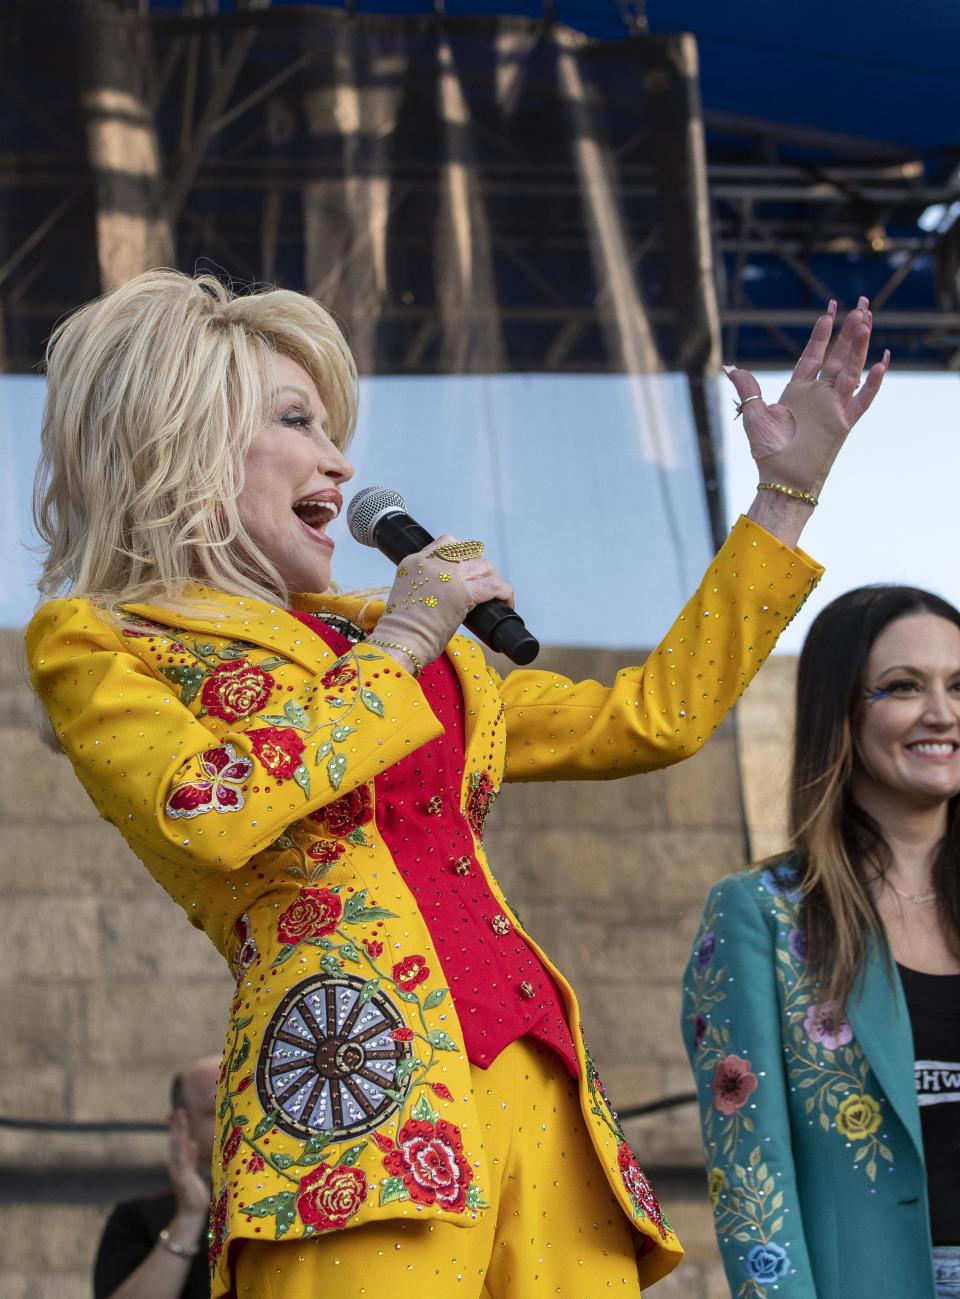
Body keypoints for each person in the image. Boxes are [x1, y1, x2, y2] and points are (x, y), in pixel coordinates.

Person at [27, 268, 886, 1299]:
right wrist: (401, 639)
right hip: (352, 1111)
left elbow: (652, 716)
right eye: (298, 420)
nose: (341, 463)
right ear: (179, 440)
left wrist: (785, 496)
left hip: (541, 1094)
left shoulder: (399, 643)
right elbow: (206, 811)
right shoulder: (109, 643)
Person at [682, 585, 960, 1299]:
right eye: (903, 686)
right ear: (840, 711)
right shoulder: (762, 916)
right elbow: (752, 1178)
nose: (943, 713)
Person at [94, 1055, 219, 1299]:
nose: (241, 1120)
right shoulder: (138, 1220)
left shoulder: (302, 1209)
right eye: (218, 1110)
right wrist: (189, 1218)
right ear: (181, 1124)